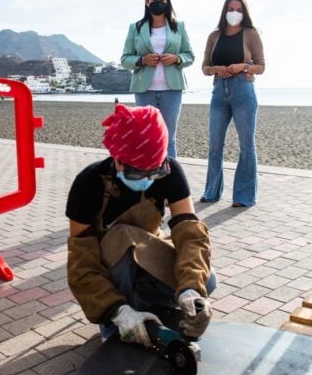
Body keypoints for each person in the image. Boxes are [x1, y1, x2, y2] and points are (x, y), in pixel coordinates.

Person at [66, 103, 216, 348]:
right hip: (110, 269)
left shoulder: (170, 171)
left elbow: (190, 234)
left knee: (207, 280)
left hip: (145, 254)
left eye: (155, 172)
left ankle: (145, 302)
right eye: (140, 174)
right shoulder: (88, 184)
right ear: (119, 160)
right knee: (121, 238)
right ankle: (118, 317)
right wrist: (116, 310)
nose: (148, 179)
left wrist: (191, 289)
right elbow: (81, 263)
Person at [200, 0, 265, 207]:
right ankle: (212, 192)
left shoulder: (251, 34)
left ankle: (244, 197)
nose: (234, 13)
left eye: (238, 10)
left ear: (244, 12)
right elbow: (205, 68)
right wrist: (216, 69)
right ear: (224, 11)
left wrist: (243, 67)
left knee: (246, 144)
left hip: (243, 90)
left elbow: (261, 66)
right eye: (230, 9)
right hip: (219, 91)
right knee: (214, 145)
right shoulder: (214, 35)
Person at [120, 0, 194, 160]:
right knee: (146, 138)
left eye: (162, 0)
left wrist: (177, 59)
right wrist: (142, 60)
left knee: (169, 139)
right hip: (145, 90)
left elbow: (189, 55)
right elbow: (125, 59)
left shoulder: (179, 26)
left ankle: (170, 182)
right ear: (147, 2)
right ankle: (148, 183)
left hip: (172, 90)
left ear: (168, 2)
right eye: (154, 0)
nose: (158, 3)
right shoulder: (135, 28)